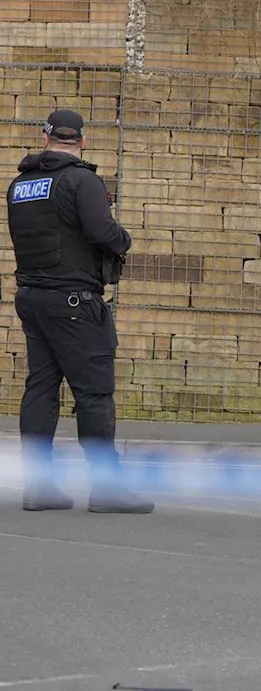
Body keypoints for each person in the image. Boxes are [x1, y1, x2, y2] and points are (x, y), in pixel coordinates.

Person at [6, 110, 152, 514]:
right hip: (74, 303)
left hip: (33, 298)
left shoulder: (20, 185)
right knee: (94, 394)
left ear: (45, 137)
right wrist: (124, 239)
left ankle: (39, 487)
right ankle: (106, 489)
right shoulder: (82, 180)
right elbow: (102, 232)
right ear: (82, 141)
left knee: (41, 389)